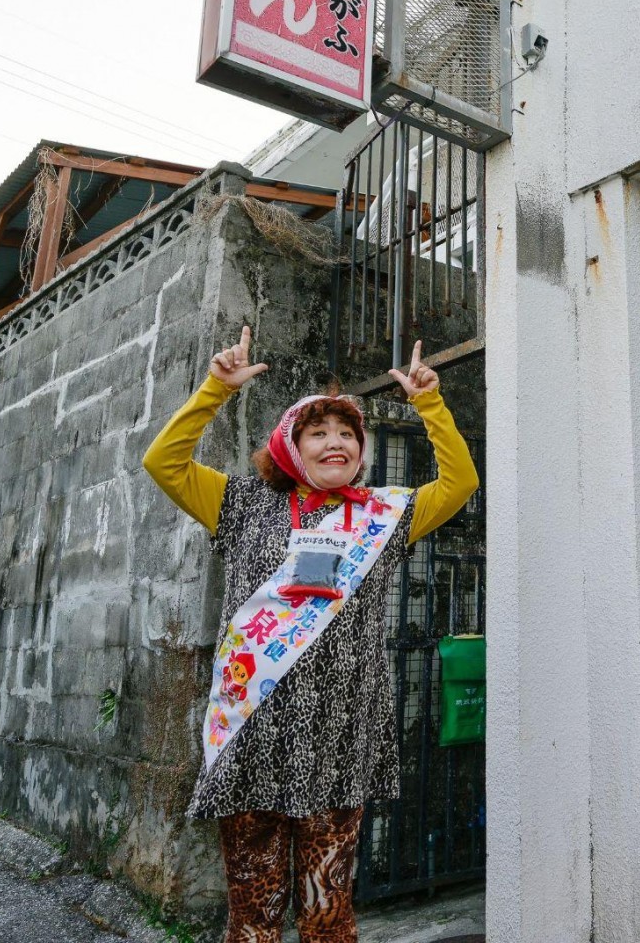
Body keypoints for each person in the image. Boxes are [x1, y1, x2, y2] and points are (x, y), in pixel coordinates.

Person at [143, 327, 478, 943]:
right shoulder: (239, 503)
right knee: (253, 916)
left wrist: (429, 404)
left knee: (329, 912)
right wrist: (216, 388)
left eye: (347, 433)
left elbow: (459, 485)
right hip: (253, 735)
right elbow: (162, 462)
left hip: (340, 736)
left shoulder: (384, 514)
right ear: (289, 446)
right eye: (318, 432)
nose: (336, 442)